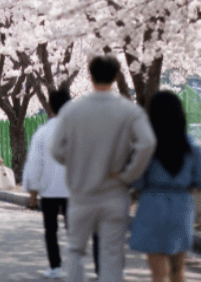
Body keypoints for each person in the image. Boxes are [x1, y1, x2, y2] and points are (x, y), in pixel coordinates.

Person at [51, 56, 157, 282]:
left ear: (90, 76)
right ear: (116, 75)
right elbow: (147, 143)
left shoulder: (72, 110)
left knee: (75, 251)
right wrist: (129, 175)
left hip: (81, 193)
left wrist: (75, 163)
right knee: (111, 254)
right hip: (114, 192)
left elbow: (55, 149)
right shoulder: (129, 110)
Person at [129, 91, 201, 282]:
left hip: (152, 206)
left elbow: (136, 181)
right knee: (177, 271)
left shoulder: (147, 147)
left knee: (158, 274)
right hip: (181, 207)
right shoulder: (191, 146)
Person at [23, 87, 73, 279]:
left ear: (50, 106)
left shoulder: (42, 132)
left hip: (49, 189)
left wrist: (32, 191)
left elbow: (34, 163)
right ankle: (75, 264)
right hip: (73, 189)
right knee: (73, 229)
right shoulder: (77, 130)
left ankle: (55, 266)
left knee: (50, 229)